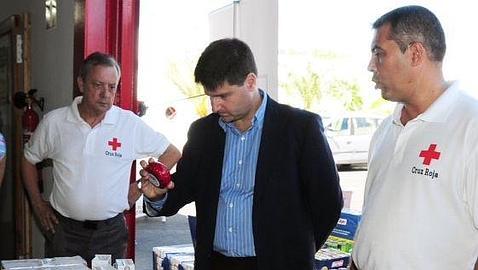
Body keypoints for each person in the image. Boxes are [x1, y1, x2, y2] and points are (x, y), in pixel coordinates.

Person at [140, 38, 343, 270]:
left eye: (224, 96)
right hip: (216, 263)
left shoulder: (300, 128)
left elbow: (327, 203)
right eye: (210, 96)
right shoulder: (203, 132)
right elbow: (183, 189)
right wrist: (157, 196)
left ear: (250, 82)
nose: (215, 106)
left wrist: (296, 252)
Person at [22, 52, 181, 263]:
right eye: (98, 85)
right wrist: (37, 203)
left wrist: (142, 185)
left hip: (110, 234)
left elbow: (172, 152)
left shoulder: (128, 124)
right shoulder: (55, 122)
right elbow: (28, 159)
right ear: (81, 83)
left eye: (112, 87)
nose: (106, 94)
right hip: (63, 231)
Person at [351, 5, 478, 270]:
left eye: (379, 53)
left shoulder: (470, 127)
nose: (370, 66)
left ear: (416, 53)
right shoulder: (387, 129)